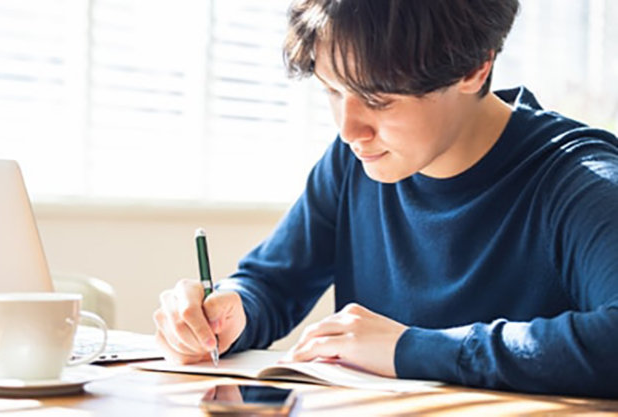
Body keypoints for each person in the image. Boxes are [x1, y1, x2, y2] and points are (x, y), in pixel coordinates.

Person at [153, 0, 618, 397]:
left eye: (377, 99)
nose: (349, 130)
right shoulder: (354, 161)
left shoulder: (580, 181)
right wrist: (231, 310)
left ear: (475, 68)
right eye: (332, 90)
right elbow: (272, 283)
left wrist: (411, 349)